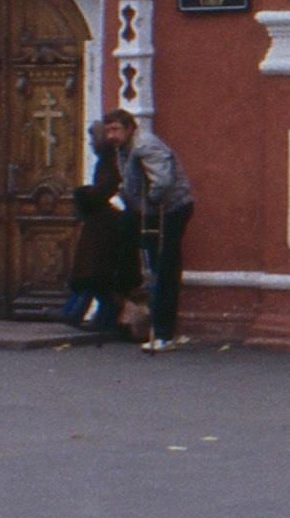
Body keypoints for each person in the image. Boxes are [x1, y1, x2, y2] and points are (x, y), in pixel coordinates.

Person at [98, 108, 193, 351]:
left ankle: (163, 332)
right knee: (146, 263)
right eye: (108, 130)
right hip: (149, 210)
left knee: (163, 267)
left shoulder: (145, 146)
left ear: (130, 128)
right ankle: (131, 318)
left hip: (168, 210)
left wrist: (147, 204)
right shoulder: (123, 148)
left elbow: (162, 182)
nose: (110, 135)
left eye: (115, 129)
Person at [63, 137, 141, 337]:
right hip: (109, 225)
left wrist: (83, 195)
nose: (90, 145)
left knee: (93, 277)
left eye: (93, 140)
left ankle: (76, 313)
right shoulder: (111, 158)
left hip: (106, 227)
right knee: (101, 279)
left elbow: (105, 189)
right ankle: (103, 318)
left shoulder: (110, 160)